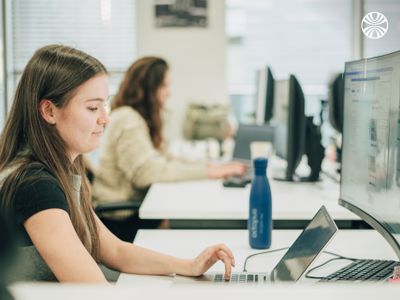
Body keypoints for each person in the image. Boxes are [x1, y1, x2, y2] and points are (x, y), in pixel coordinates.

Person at [0, 45, 235, 283]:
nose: (105, 118)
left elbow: (115, 251)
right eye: (93, 107)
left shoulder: (63, 170)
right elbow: (93, 290)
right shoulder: (35, 186)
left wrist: (189, 265)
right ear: (49, 111)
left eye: (104, 104)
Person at [92, 57, 245, 210]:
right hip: (120, 213)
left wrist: (214, 166)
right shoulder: (127, 118)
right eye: (164, 86)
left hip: (134, 205)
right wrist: (210, 171)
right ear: (149, 89)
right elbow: (147, 173)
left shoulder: (138, 118)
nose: (168, 93)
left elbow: (166, 158)